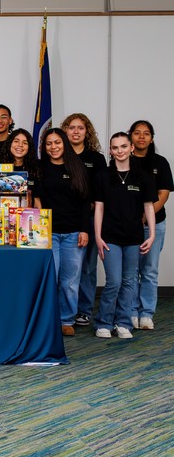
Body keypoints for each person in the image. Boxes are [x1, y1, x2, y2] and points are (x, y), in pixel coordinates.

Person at [93, 132, 156, 340]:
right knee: (114, 282)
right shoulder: (103, 176)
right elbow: (99, 209)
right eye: (115, 147)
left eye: (123, 146)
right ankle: (104, 322)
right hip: (110, 236)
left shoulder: (143, 176)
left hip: (134, 237)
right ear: (110, 151)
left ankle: (123, 323)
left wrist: (152, 234)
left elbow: (148, 208)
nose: (119, 151)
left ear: (130, 148)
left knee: (130, 281)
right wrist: (98, 237)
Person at [36, 128, 91, 337]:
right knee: (51, 277)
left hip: (73, 233)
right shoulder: (40, 168)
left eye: (57, 142)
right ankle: (49, 320)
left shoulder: (77, 167)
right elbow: (38, 201)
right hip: (49, 232)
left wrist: (84, 230)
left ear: (64, 143)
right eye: (49, 143)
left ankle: (66, 319)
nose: (53, 147)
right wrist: (40, 230)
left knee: (70, 281)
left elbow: (86, 202)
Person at [63, 113, 108, 327]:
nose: (76, 131)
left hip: (90, 218)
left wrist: (89, 207)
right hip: (65, 220)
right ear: (65, 131)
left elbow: (102, 190)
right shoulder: (57, 154)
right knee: (67, 270)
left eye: (80, 128)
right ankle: (63, 310)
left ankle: (84, 310)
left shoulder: (96, 159)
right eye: (71, 127)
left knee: (87, 267)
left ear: (86, 131)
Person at [129, 120, 172, 330]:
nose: (141, 137)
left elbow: (164, 194)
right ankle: (131, 311)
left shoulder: (160, 162)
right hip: (128, 225)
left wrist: (147, 216)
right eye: (137, 133)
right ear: (131, 137)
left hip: (155, 223)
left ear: (151, 138)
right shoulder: (124, 161)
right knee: (131, 270)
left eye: (146, 133)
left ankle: (146, 313)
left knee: (150, 270)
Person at [0, 128, 40, 199]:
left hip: (28, 209)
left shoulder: (35, 169)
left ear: (29, 147)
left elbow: (37, 200)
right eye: (16, 141)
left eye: (25, 143)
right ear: (9, 144)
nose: (20, 145)